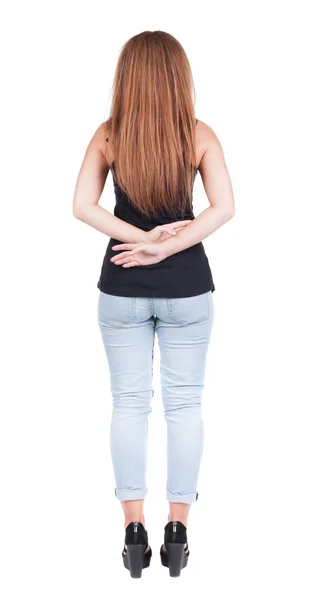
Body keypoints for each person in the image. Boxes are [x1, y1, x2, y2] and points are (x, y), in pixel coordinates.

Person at [73, 30, 235, 578]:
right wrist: (165, 243)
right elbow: (224, 208)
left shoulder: (108, 135)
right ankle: (178, 530)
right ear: (178, 77)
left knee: (129, 403)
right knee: (184, 405)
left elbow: (82, 206)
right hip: (189, 287)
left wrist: (138, 241)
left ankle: (134, 530)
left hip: (120, 288)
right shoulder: (199, 135)